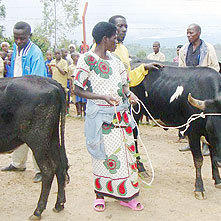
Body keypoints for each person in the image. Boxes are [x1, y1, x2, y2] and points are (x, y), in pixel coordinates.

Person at [74, 21, 143, 212]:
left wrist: (130, 94)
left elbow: (124, 86)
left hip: (120, 117)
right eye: (114, 37)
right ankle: (100, 195)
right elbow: (77, 89)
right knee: (102, 156)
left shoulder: (116, 61)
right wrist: (101, 96)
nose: (116, 40)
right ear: (105, 39)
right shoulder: (87, 60)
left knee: (125, 157)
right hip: (100, 120)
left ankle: (126, 195)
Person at [108, 15, 161, 174]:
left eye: (126, 26)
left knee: (129, 133)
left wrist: (143, 68)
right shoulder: (102, 49)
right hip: (108, 103)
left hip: (123, 102)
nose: (124, 30)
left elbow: (127, 76)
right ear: (110, 28)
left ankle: (131, 167)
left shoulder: (123, 49)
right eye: (120, 26)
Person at [1, 21, 48, 183]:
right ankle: (18, 163)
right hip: (17, 97)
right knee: (18, 131)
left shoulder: (35, 53)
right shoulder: (16, 49)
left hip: (31, 99)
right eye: (16, 38)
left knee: (35, 134)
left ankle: (41, 168)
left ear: (30, 36)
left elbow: (36, 80)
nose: (18, 41)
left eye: (22, 38)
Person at [178, 23, 220, 155]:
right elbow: (181, 68)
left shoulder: (208, 48)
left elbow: (215, 67)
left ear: (199, 33)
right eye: (187, 33)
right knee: (189, 117)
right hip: (189, 87)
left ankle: (206, 145)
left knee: (205, 117)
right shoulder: (184, 49)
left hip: (205, 88)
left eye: (191, 33)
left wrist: (203, 76)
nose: (188, 35)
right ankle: (191, 142)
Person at [69, 52, 86, 117]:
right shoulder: (70, 67)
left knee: (84, 100)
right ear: (72, 58)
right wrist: (71, 88)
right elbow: (70, 78)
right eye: (76, 56)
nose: (78, 58)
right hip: (75, 85)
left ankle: (84, 113)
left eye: (78, 56)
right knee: (77, 100)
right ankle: (79, 113)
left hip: (82, 85)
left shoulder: (82, 66)